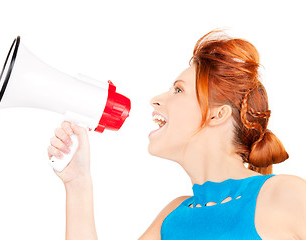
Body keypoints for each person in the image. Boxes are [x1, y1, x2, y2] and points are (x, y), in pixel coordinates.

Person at [47, 29, 306, 239]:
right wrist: (77, 182)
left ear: (217, 114)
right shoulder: (171, 218)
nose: (156, 100)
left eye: (178, 90)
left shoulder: (284, 194)